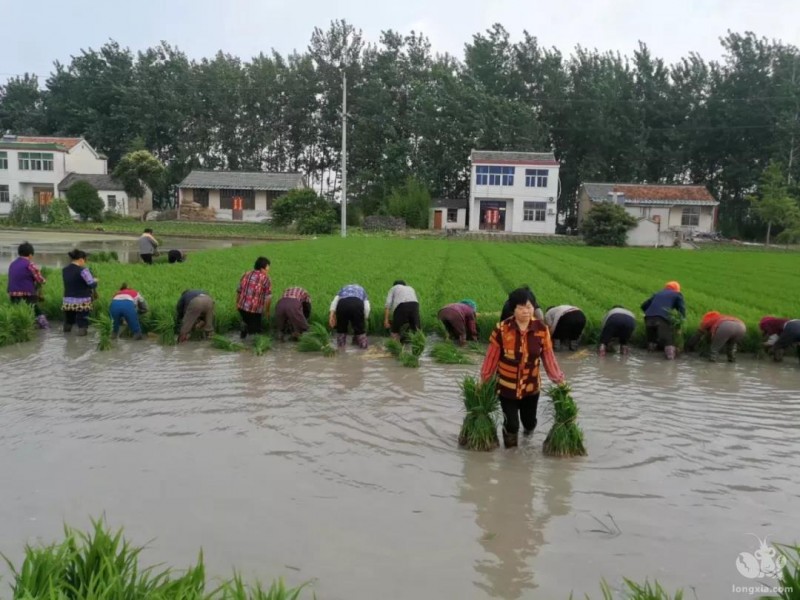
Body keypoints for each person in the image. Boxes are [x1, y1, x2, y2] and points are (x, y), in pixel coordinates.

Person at [481, 288, 566, 448]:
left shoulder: (542, 330)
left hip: (530, 386)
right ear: (513, 309)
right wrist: (484, 380)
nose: (526, 311)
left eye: (529, 307)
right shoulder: (501, 329)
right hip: (507, 387)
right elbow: (491, 357)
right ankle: (511, 457)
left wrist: (559, 380)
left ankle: (527, 440)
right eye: (521, 308)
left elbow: (548, 357)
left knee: (529, 423)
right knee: (512, 424)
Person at [6, 241, 49, 329]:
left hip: (12, 292)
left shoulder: (12, 264)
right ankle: (45, 327)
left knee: (17, 310)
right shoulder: (30, 264)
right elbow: (40, 279)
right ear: (30, 255)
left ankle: (19, 326)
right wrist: (44, 281)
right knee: (36, 309)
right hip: (27, 292)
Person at [641, 281, 686, 360]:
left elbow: (643, 305)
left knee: (651, 342)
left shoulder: (657, 294)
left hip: (648, 318)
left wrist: (650, 313)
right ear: (677, 289)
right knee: (668, 341)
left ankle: (648, 362)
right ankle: (670, 362)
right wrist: (681, 321)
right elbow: (682, 309)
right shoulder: (677, 294)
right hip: (662, 318)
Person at [61, 249, 98, 336]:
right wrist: (95, 280)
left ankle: (67, 338)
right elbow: (91, 284)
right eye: (85, 260)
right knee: (82, 322)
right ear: (81, 259)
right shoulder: (83, 270)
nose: (85, 262)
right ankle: (82, 341)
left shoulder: (65, 270)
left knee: (69, 321)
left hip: (68, 301)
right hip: (82, 301)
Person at [236, 257, 272, 339]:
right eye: (267, 269)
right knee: (255, 333)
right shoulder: (266, 279)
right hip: (255, 310)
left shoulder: (245, 274)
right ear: (262, 269)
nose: (268, 271)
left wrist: (237, 303)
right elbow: (268, 297)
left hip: (242, 307)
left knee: (247, 322)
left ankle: (244, 328)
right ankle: (250, 334)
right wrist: (267, 311)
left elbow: (238, 290)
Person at [329, 284, 370, 348]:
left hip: (342, 304)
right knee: (360, 330)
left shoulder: (342, 289)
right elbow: (367, 307)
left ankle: (341, 349)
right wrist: (364, 318)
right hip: (357, 304)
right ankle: (363, 348)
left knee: (341, 329)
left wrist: (331, 316)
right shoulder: (362, 291)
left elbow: (334, 302)